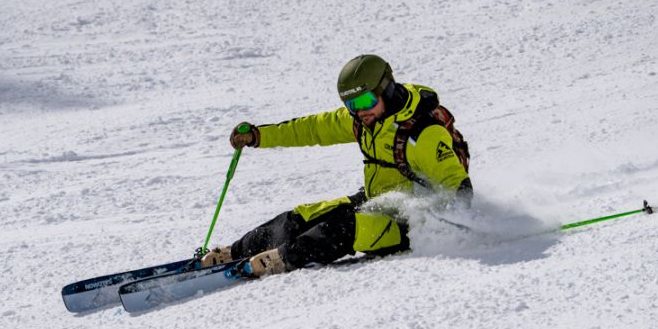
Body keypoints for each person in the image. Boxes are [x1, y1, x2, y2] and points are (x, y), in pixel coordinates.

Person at [202, 54, 473, 277]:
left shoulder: (422, 133)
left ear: (386, 89)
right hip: (378, 199)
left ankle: (278, 260)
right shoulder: (361, 121)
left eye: (366, 101)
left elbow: (458, 186)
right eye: (352, 104)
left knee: (342, 229)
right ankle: (234, 251)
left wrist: (444, 227)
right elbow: (311, 129)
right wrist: (259, 136)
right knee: (301, 218)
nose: (360, 110)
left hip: (410, 223)